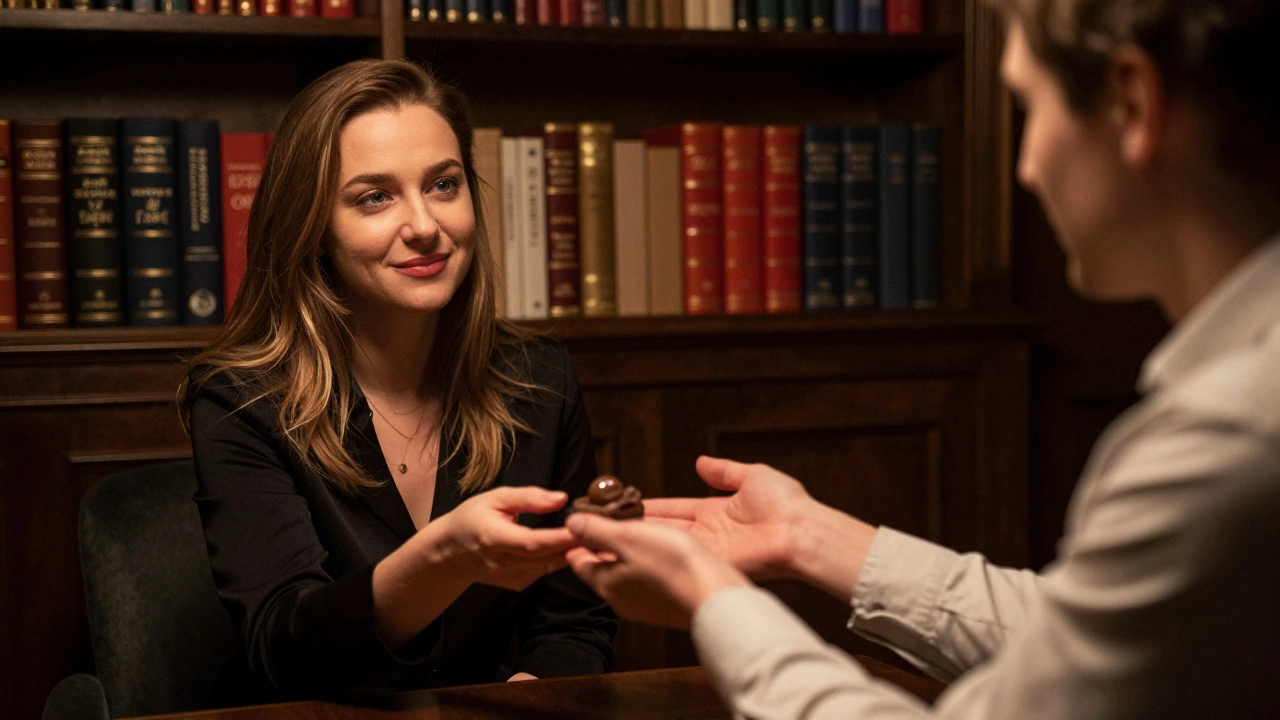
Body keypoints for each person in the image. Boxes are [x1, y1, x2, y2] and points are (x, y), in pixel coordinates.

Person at [565, 0, 1280, 717]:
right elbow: (1089, 636)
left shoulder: (1225, 442)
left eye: (1028, 108)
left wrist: (711, 602)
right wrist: (804, 535)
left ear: (1134, 105)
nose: (1027, 168)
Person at [182, 59, 615, 702]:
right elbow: (284, 648)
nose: (424, 226)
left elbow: (575, 620)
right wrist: (444, 559)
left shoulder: (540, 379)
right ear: (312, 228)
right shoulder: (240, 401)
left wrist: (534, 692)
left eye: (443, 185)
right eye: (374, 197)